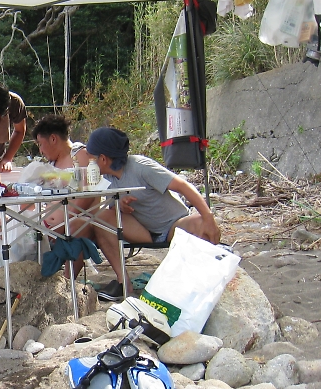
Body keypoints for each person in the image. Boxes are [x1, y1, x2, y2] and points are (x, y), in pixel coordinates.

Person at [75, 127, 221, 301]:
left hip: (174, 224)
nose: (88, 161)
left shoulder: (141, 167)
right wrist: (119, 205)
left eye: (91, 157)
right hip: (143, 230)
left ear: (103, 159)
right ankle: (124, 283)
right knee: (100, 218)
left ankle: (204, 281)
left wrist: (208, 217)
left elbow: (183, 186)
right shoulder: (107, 179)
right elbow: (112, 211)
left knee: (200, 222)